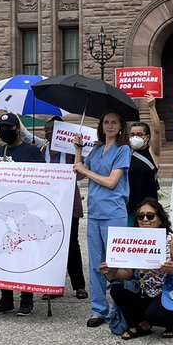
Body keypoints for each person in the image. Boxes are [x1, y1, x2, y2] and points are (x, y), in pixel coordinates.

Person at [0, 113, 47, 317]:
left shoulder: (32, 152)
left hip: (23, 216)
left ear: (17, 129)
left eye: (8, 128)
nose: (4, 132)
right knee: (4, 254)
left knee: (24, 255)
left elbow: (45, 181)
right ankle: (6, 298)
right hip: (1, 217)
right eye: (1, 128)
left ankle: (26, 298)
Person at [101, 197, 173, 339]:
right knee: (117, 290)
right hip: (144, 291)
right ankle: (142, 324)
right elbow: (128, 274)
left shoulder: (170, 241)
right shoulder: (134, 241)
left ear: (160, 219)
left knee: (153, 315)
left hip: (168, 291)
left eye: (150, 216)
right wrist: (111, 272)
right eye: (141, 216)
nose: (145, 219)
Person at [74, 109, 131, 327]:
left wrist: (85, 171)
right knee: (96, 263)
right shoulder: (96, 150)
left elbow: (111, 182)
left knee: (115, 263)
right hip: (95, 213)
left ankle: (120, 305)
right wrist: (78, 151)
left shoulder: (123, 150)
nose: (109, 126)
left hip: (114, 213)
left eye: (114, 122)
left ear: (120, 126)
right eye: (106, 122)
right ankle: (98, 309)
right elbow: (78, 173)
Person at [43, 118, 88, 300]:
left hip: (68, 203)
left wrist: (78, 150)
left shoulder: (70, 152)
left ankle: (79, 285)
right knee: (50, 245)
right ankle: (53, 286)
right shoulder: (41, 151)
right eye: (47, 129)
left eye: (53, 129)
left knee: (71, 244)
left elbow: (80, 176)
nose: (49, 132)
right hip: (47, 205)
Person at [126, 93, 163, 224]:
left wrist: (152, 107)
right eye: (132, 134)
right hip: (129, 209)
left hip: (149, 212)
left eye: (139, 134)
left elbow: (157, 130)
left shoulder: (152, 152)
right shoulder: (125, 153)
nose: (135, 137)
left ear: (147, 137)